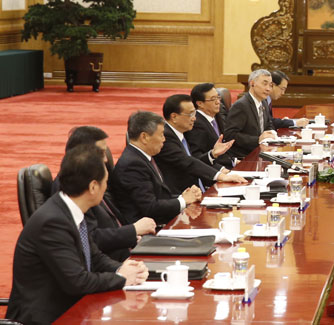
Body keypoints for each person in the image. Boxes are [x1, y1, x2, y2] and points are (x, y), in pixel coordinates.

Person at [8, 145, 149, 324]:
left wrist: (123, 269)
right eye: (106, 182)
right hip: (47, 317)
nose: (107, 188)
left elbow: (95, 258)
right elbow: (77, 281)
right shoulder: (52, 222)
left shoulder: (70, 211)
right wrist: (120, 278)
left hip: (73, 307)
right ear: (93, 187)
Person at [60, 126, 157, 261]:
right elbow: (90, 238)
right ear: (82, 153)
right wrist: (133, 230)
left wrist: (132, 235)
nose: (106, 159)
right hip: (113, 259)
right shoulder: (71, 187)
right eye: (102, 153)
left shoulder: (93, 178)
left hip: (124, 251)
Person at [112, 110, 203, 224]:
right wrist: (183, 201)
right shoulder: (132, 165)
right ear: (144, 137)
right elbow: (150, 207)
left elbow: (158, 196)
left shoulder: (142, 157)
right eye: (161, 135)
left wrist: (185, 196)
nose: (164, 139)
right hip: (148, 231)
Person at [157, 94, 248, 194]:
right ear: (174, 117)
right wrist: (222, 176)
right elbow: (188, 163)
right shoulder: (165, 137)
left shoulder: (180, 133)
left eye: (194, 113)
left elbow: (194, 160)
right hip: (182, 195)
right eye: (190, 114)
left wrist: (212, 154)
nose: (194, 118)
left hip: (197, 190)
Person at [224, 69, 277, 159]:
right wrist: (257, 140)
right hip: (244, 155)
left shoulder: (263, 102)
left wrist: (271, 133)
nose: (268, 89)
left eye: (270, 85)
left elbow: (268, 124)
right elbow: (230, 135)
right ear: (252, 83)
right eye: (264, 84)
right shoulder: (241, 105)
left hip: (261, 152)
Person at [187, 82, 236, 168]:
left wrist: (234, 161)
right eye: (213, 99)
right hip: (215, 172)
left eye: (218, 97)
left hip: (229, 164)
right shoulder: (196, 124)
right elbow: (198, 158)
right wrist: (222, 171)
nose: (218, 102)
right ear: (200, 103)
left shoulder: (217, 116)